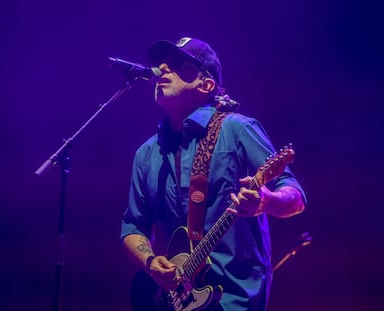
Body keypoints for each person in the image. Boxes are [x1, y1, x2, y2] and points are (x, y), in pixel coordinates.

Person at [120, 37, 306, 311]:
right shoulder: (146, 154)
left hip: (233, 299)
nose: (162, 68)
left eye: (177, 64)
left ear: (206, 85)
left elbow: (296, 197)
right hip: (176, 301)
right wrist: (151, 265)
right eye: (161, 63)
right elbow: (133, 227)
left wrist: (266, 201)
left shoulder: (238, 130)